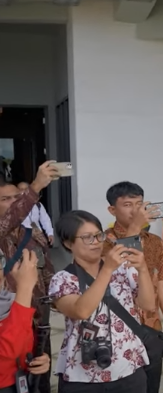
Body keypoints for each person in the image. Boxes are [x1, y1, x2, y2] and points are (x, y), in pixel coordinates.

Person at [48, 210, 156, 393]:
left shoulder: (122, 269)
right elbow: (81, 311)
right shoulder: (62, 279)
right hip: (82, 377)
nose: (96, 242)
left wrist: (143, 269)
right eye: (87, 237)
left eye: (99, 235)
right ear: (68, 243)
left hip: (128, 369)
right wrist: (107, 270)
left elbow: (148, 305)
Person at [100, 181, 163, 393]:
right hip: (118, 333)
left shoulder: (155, 242)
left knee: (151, 386)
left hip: (151, 329)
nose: (135, 210)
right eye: (128, 204)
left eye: (139, 204)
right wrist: (134, 228)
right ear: (112, 210)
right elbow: (123, 270)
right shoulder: (102, 242)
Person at [0, 161, 58, 393]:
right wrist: (35, 186)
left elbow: (47, 270)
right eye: (6, 199)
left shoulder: (32, 231)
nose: (14, 202)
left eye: (17, 197)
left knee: (38, 382)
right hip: (8, 324)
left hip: (38, 324)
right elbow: (9, 219)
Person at [0, 249, 51, 393]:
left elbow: (23, 347)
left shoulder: (12, 302)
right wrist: (25, 288)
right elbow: (7, 351)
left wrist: (39, 361)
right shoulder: (21, 301)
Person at [18, 182, 55, 247]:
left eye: (26, 189)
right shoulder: (13, 207)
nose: (24, 191)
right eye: (21, 189)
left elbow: (45, 220)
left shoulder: (38, 205)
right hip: (22, 238)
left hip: (38, 236)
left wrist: (50, 233)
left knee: (42, 254)